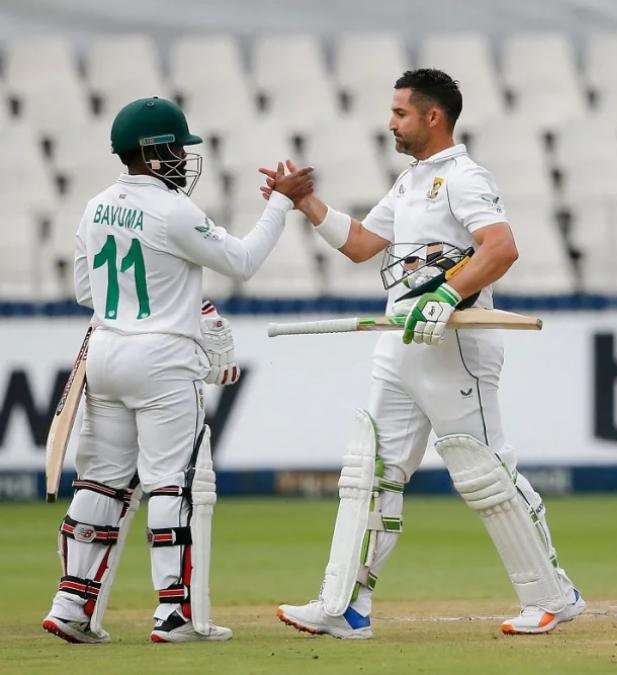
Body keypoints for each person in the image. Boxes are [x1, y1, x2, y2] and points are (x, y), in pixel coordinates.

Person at [269, 69, 585, 638]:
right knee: (370, 472)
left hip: (455, 345)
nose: (390, 122)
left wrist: (445, 293)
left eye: (399, 113)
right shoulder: (411, 182)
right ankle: (345, 605)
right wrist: (307, 203)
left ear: (432, 117)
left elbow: (502, 248)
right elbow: (363, 244)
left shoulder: (464, 178)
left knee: (483, 471)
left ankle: (552, 597)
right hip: (402, 343)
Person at [41, 96, 314, 644]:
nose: (182, 159)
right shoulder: (173, 209)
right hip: (163, 359)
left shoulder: (94, 207)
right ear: (154, 151)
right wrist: (281, 205)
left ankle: (70, 604)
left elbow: (84, 291)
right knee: (170, 485)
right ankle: (172, 615)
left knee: (100, 482)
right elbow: (241, 262)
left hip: (106, 351)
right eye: (175, 148)